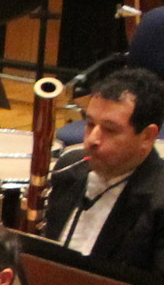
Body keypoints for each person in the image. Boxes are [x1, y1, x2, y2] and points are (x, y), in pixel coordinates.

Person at [41, 66, 164, 273]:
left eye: (110, 130)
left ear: (147, 136)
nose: (92, 140)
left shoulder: (159, 202)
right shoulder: (69, 168)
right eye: (90, 124)